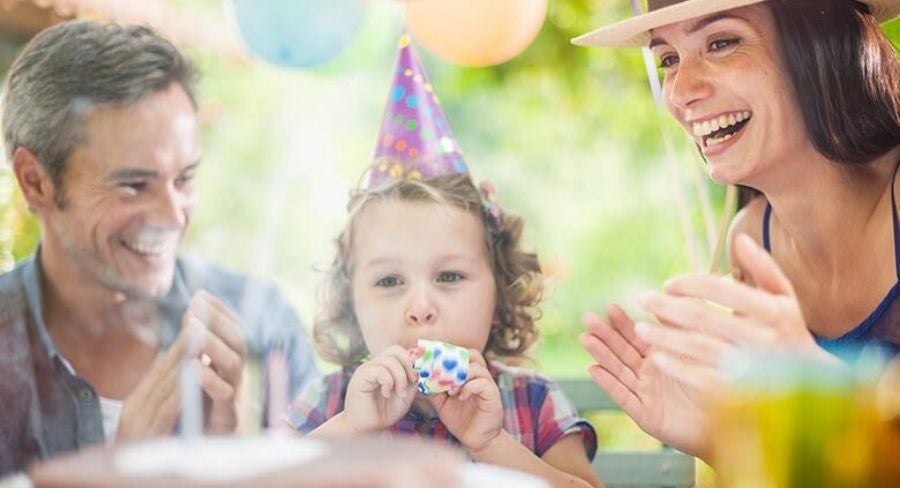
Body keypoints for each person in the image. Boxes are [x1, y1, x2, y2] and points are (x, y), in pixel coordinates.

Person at [572, 0, 900, 462]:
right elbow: (818, 470)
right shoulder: (751, 238)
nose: (681, 91)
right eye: (668, 59)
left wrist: (826, 390)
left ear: (822, 46)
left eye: (722, 42)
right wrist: (716, 441)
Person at [0, 20, 318, 478]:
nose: (173, 217)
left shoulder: (264, 330)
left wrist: (239, 470)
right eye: (133, 185)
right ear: (36, 182)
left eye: (185, 178)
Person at [286, 37, 602, 488]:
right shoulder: (330, 402)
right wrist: (350, 429)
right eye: (390, 280)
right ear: (350, 299)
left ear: (500, 288)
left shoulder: (533, 402)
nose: (420, 307)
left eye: (449, 275)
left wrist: (493, 444)